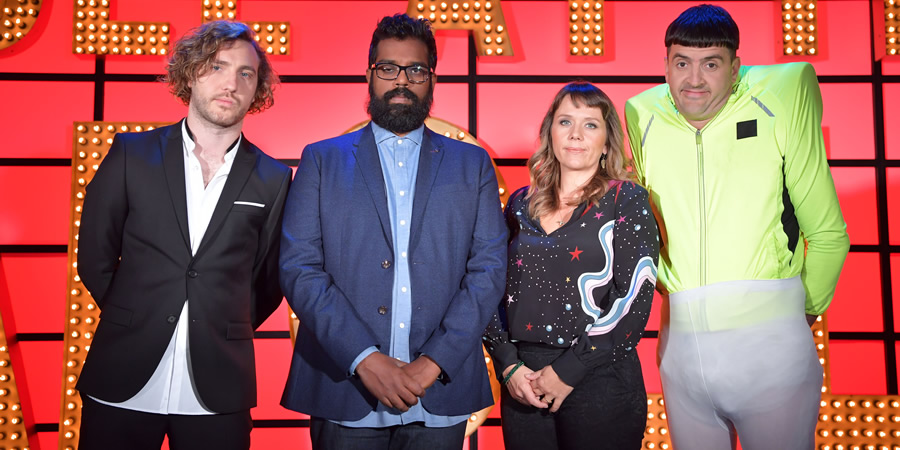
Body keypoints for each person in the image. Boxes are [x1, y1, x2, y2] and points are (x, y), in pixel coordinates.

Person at [624, 4, 849, 449]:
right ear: (665, 65)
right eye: (681, 63)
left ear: (735, 67)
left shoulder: (779, 99)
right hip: (680, 351)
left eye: (711, 64)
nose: (694, 80)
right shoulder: (640, 115)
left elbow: (828, 234)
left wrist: (789, 319)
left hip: (773, 353)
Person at [278, 13, 507, 450]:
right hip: (344, 388)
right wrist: (364, 359)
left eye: (416, 69)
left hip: (439, 390)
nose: (401, 80)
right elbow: (299, 268)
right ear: (369, 75)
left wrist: (432, 363)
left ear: (432, 79)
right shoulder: (321, 160)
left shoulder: (471, 163)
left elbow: (489, 270)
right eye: (388, 68)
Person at [75, 20, 291, 450]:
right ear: (191, 73)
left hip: (219, 388)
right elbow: (94, 257)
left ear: (257, 89)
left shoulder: (275, 178)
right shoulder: (130, 154)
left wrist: (219, 320)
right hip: (122, 372)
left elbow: (270, 280)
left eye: (245, 74)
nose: (231, 83)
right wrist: (135, 310)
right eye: (217, 67)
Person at [483, 81, 660, 450]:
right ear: (551, 132)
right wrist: (508, 363)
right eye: (565, 122)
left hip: (599, 378)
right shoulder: (518, 205)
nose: (576, 134)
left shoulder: (626, 200)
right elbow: (487, 285)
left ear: (607, 141)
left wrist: (567, 371)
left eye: (590, 124)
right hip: (523, 384)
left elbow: (634, 299)